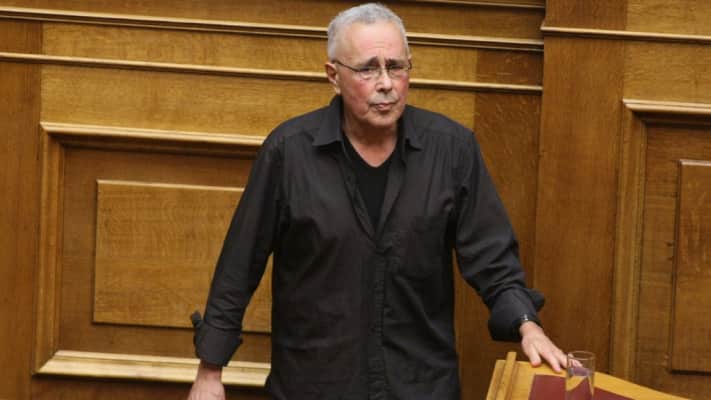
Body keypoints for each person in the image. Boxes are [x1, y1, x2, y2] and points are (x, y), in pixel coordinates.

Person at [188, 3, 566, 399]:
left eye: (396, 67)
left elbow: (493, 260)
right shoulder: (288, 152)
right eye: (368, 69)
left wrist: (527, 325)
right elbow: (239, 266)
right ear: (333, 76)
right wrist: (210, 372)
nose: (386, 83)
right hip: (315, 385)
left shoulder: (452, 150)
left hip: (419, 386)